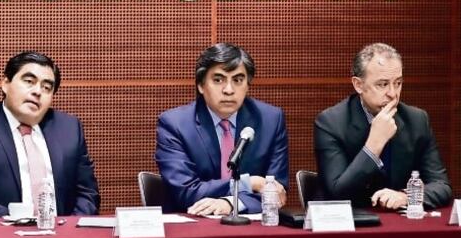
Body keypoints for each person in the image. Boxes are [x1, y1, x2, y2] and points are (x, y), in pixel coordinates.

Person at [0, 51, 99, 218]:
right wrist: (12, 224)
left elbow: (88, 194)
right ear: (5, 83)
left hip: (61, 236)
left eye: (46, 87)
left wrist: (70, 230)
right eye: (29, 82)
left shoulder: (69, 128)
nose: (37, 91)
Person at [155, 43, 289, 215]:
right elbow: (186, 192)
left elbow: (277, 192)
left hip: (250, 231)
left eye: (238, 80)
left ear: (248, 85)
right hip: (193, 229)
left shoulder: (271, 120)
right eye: (218, 80)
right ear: (201, 86)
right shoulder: (175, 124)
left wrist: (232, 203)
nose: (228, 90)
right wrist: (250, 183)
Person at [314, 42, 452, 210]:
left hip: (402, 226)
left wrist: (405, 196)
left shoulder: (417, 120)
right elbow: (337, 194)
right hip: (353, 227)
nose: (393, 94)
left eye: (398, 83)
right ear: (358, 85)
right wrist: (373, 146)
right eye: (383, 84)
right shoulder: (331, 123)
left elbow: (442, 186)